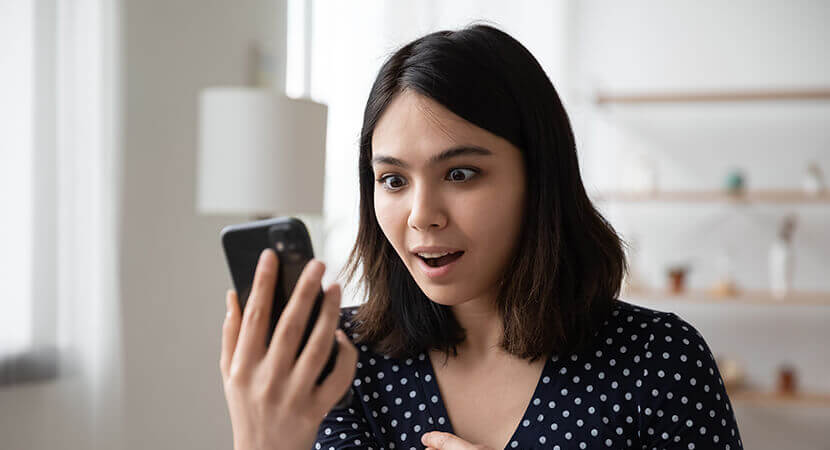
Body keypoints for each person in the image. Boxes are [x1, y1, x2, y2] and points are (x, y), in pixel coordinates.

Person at [221, 24, 743, 450]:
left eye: (460, 174)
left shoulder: (659, 360)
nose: (421, 216)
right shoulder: (339, 364)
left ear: (539, 178)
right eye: (394, 180)